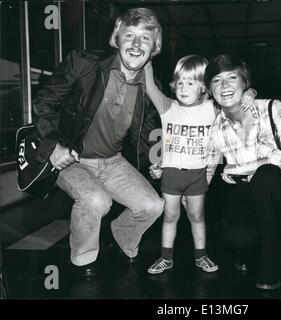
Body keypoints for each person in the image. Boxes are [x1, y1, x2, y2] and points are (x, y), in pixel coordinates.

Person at [32, 8, 165, 277]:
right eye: (130, 35)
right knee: (95, 200)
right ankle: (83, 263)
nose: (137, 45)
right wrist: (52, 146)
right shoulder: (83, 63)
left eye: (146, 39)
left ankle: (123, 236)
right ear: (116, 38)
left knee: (153, 205)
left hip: (114, 161)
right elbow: (44, 102)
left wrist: (155, 161)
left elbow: (148, 133)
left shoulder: (151, 88)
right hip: (73, 158)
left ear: (154, 48)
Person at [144, 55, 256, 274]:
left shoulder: (211, 109)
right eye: (180, 82)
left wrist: (250, 92)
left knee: (197, 216)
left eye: (191, 82)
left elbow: (233, 98)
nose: (184, 88)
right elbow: (149, 87)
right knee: (170, 216)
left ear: (204, 87)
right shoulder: (168, 107)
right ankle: (166, 258)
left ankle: (201, 256)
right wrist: (147, 59)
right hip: (172, 174)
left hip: (197, 174)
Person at [204, 55, 281, 290]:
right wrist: (190, 201)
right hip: (245, 194)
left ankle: (271, 270)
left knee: (266, 176)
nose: (225, 85)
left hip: (278, 192)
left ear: (245, 83)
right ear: (210, 90)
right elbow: (208, 169)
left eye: (232, 78)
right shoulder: (216, 128)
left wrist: (241, 168)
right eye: (217, 80)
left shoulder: (271, 107)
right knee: (236, 238)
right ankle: (249, 250)